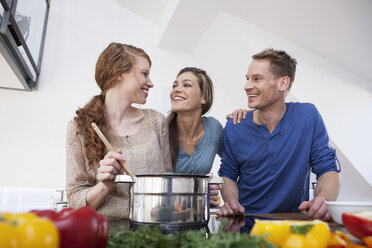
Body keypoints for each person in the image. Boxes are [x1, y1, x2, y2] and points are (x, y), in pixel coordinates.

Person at [217, 48, 341, 220]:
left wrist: (324, 200)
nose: (247, 86)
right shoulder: (235, 125)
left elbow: (328, 170)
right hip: (247, 226)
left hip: (294, 224)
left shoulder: (307, 116)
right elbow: (227, 175)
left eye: (257, 79)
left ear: (283, 83)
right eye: (247, 79)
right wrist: (231, 201)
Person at [66, 43, 172, 230]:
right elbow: (75, 199)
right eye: (144, 73)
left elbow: (168, 184)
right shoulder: (80, 127)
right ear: (119, 73)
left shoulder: (156, 121)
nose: (151, 82)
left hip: (154, 235)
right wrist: (104, 186)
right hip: (105, 236)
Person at [167, 67, 246, 207]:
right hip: (163, 215)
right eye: (175, 85)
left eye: (186, 85)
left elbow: (237, 162)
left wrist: (245, 120)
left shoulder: (213, 128)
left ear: (204, 97)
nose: (176, 89)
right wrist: (199, 192)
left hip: (196, 218)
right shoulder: (162, 131)